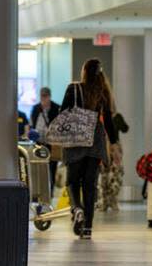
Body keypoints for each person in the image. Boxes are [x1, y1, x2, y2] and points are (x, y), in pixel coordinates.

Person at [60, 58, 119, 241]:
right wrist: (114, 145)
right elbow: (108, 120)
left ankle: (76, 208)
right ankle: (88, 228)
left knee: (72, 181)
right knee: (90, 184)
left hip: (76, 139)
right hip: (95, 139)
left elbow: (63, 112)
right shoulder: (103, 91)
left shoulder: (74, 88)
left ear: (84, 71)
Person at [29, 86, 61, 192]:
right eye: (42, 96)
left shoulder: (56, 108)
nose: (44, 98)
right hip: (39, 142)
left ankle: (50, 191)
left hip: (52, 143)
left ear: (49, 96)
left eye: (45, 96)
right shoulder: (36, 108)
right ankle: (40, 190)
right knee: (39, 167)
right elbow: (32, 124)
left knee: (52, 167)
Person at [97, 113, 128, 213]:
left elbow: (125, 129)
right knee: (103, 176)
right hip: (101, 148)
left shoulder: (115, 117)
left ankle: (112, 200)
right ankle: (104, 201)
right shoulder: (98, 116)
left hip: (114, 149)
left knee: (115, 175)